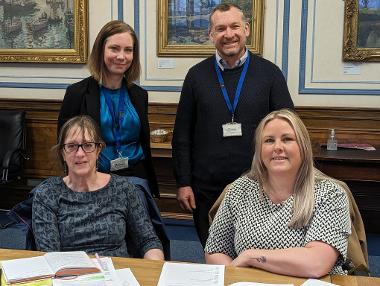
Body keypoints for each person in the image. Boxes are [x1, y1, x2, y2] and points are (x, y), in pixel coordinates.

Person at [172, 3, 294, 246]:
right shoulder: (196, 76)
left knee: (254, 256)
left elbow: (290, 132)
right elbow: (182, 134)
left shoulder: (270, 74)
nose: (228, 34)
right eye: (220, 28)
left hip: (259, 187)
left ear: (246, 29)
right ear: (211, 35)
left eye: (234, 26)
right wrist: (183, 182)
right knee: (213, 253)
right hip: (206, 189)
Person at [205, 109, 351, 277]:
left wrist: (251, 256)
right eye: (269, 141)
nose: (277, 147)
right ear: (259, 151)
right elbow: (214, 250)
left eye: (287, 139)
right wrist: (239, 278)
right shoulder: (239, 190)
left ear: (303, 147)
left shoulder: (330, 194)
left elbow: (316, 264)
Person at [32, 115, 164, 259]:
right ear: (62, 153)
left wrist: (154, 271)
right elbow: (50, 255)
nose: (80, 154)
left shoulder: (123, 188)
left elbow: (148, 241)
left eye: (88, 145)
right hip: (70, 274)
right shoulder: (47, 193)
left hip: (119, 273)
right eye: (71, 146)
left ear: (99, 149)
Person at [58, 20, 159, 198]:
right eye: (114, 48)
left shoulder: (139, 95)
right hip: (93, 180)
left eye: (128, 50)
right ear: (100, 51)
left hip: (136, 177)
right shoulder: (77, 93)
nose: (122, 56)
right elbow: (66, 147)